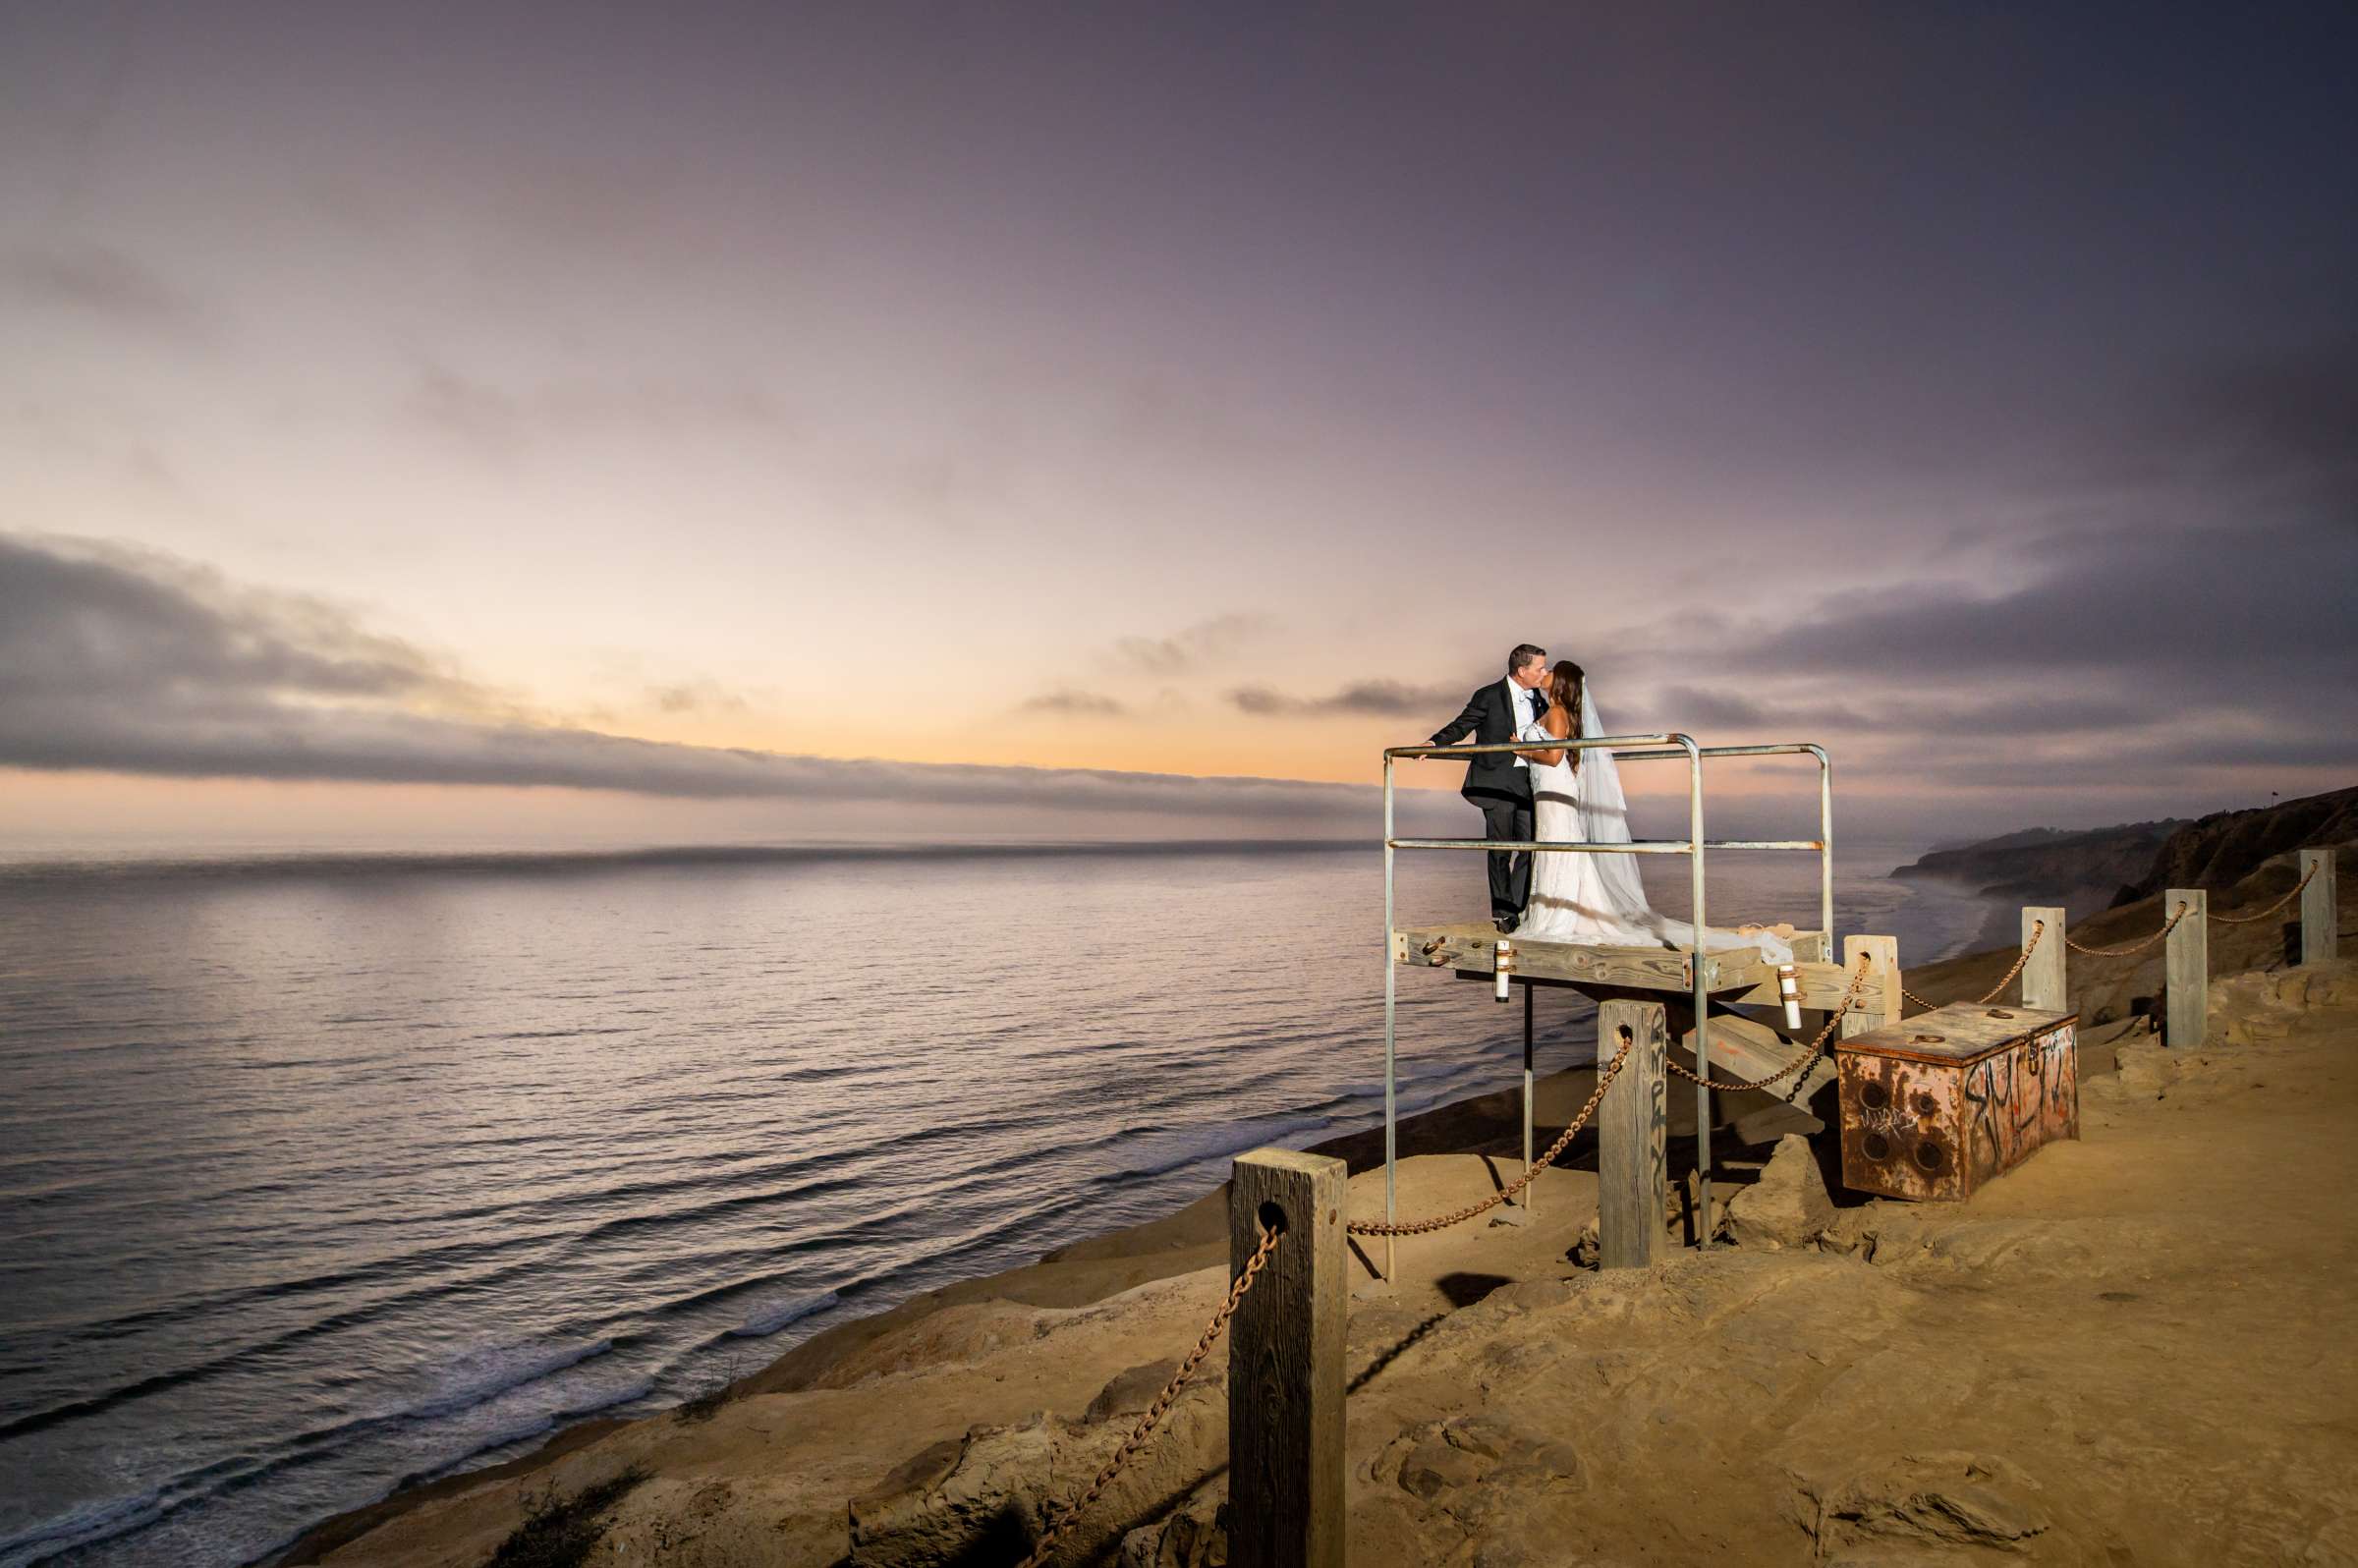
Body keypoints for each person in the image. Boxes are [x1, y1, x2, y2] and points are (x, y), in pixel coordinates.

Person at [1510, 660, 1794, 962]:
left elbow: (1553, 757)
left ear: (1560, 681)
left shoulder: (1556, 713)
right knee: (1554, 845)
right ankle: (1562, 906)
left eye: (1551, 670)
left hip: (1554, 787)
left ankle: (1563, 912)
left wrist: (1520, 749)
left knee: (1559, 843)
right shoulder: (1555, 710)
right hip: (1547, 788)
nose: (1546, 673)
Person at [1427, 644, 1551, 931]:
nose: (1544, 673)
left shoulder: (1539, 700)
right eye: (1540, 669)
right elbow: (1463, 725)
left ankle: (1518, 905)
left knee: (1532, 847)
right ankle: (1504, 913)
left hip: (1527, 783)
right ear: (1522, 671)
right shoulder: (1488, 695)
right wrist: (1434, 743)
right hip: (1496, 782)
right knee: (1500, 850)